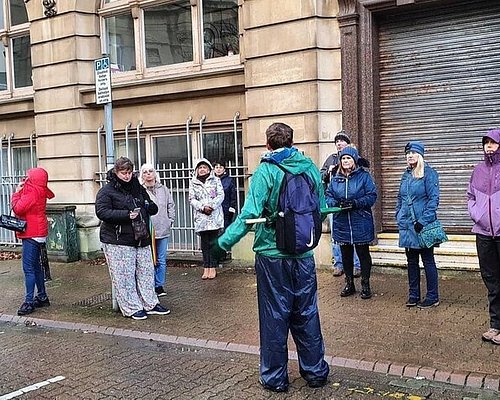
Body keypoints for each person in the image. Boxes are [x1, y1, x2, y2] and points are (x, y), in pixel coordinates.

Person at [213, 122, 329, 393]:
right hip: (303, 255)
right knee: (307, 312)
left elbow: (249, 215)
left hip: (272, 255)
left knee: (275, 315)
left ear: (267, 144)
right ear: (291, 142)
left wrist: (223, 243)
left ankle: (275, 378)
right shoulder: (310, 167)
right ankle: (315, 372)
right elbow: (320, 210)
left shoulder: (266, 171)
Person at [95, 157, 170, 320]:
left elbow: (150, 204)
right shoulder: (107, 191)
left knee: (146, 272)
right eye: (123, 173)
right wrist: (126, 215)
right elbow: (102, 212)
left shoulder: (137, 187)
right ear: (116, 172)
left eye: (129, 173)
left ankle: (150, 303)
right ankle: (131, 307)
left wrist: (150, 207)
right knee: (124, 275)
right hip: (117, 239)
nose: (127, 176)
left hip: (140, 236)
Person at [325, 146, 377, 299]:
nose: (345, 161)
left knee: (363, 253)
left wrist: (355, 203)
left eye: (348, 158)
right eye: (343, 158)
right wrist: (336, 204)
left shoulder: (364, 177)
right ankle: (349, 284)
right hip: (342, 221)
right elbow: (328, 196)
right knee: (345, 254)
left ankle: (365, 284)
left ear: (354, 160)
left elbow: (371, 196)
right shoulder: (336, 178)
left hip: (360, 220)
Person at [395, 141, 440, 309]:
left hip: (422, 226)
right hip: (407, 226)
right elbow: (400, 198)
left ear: (420, 155)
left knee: (428, 260)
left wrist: (423, 221)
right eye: (408, 154)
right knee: (411, 261)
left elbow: (433, 200)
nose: (410, 156)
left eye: (413, 153)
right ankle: (413, 295)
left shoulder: (429, 174)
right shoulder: (406, 175)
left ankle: (432, 296)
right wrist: (398, 215)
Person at [467, 129, 500, 343]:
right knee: (491, 281)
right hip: (483, 233)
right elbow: (471, 196)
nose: (489, 146)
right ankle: (495, 325)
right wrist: (477, 215)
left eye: (493, 142)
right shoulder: (477, 170)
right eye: (486, 142)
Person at [12, 167, 55, 316]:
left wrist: (16, 193)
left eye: (28, 176)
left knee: (28, 268)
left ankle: (28, 301)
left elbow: (18, 208)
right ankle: (42, 296)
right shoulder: (41, 189)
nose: (26, 178)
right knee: (36, 266)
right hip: (39, 232)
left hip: (31, 233)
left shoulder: (32, 191)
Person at [320, 130, 361, 277]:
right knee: (335, 235)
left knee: (353, 234)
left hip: (350, 203)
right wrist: (328, 172)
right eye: (337, 141)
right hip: (335, 204)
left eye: (342, 140)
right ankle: (338, 264)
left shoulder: (355, 158)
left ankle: (356, 265)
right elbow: (320, 177)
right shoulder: (331, 159)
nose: (339, 143)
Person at [140, 163, 176, 297]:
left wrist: (170, 220)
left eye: (150, 171)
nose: (148, 174)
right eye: (145, 172)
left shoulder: (163, 189)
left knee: (161, 259)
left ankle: (159, 285)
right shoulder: (140, 190)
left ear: (155, 173)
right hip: (147, 230)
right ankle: (148, 285)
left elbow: (170, 205)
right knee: (148, 259)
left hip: (162, 228)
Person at [189, 158, 224, 280]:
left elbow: (220, 195)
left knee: (213, 243)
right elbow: (192, 199)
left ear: (209, 169)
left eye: (204, 167)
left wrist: (212, 206)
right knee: (204, 244)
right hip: (201, 217)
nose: (202, 170)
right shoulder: (193, 182)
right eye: (200, 168)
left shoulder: (216, 180)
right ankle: (206, 267)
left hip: (214, 216)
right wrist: (202, 207)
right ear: (197, 170)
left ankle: (213, 267)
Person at [213, 160, 237, 230]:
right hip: (214, 211)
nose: (218, 169)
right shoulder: (211, 181)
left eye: (220, 167)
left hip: (226, 211)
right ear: (214, 169)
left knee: (225, 231)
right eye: (216, 167)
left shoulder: (229, 180)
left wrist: (231, 210)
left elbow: (233, 197)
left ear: (224, 169)